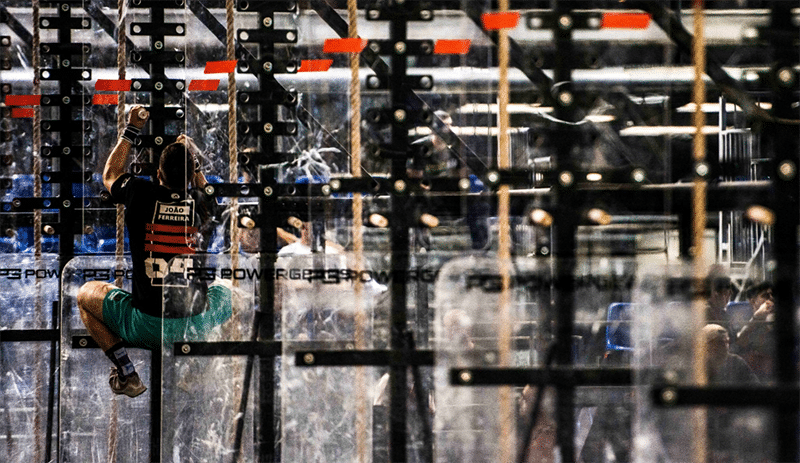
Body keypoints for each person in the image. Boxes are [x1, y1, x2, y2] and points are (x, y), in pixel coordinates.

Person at [76, 106, 233, 398]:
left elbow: (110, 175)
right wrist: (193, 162)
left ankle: (127, 373)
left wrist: (132, 128)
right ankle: (198, 371)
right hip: (194, 325)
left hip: (147, 326)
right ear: (191, 176)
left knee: (86, 294)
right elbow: (205, 189)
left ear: (157, 173)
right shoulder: (205, 203)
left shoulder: (139, 191)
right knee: (233, 294)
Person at [735, 280, 774, 381]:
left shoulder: (774, 321)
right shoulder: (740, 320)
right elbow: (738, 342)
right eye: (765, 295)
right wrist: (757, 317)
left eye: (771, 295)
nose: (771, 298)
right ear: (752, 301)